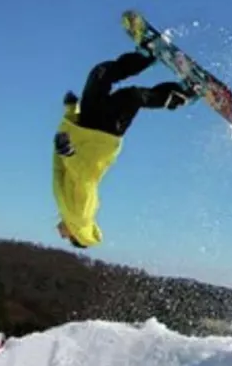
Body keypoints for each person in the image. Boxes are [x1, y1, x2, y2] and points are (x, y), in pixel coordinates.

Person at [53, 49, 193, 248]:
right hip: (103, 137)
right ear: (76, 234)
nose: (61, 235)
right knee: (132, 97)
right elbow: (85, 180)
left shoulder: (64, 206)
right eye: (67, 237)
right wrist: (68, 154)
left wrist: (70, 111)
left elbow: (56, 164)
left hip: (84, 127)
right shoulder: (80, 216)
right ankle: (181, 95)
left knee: (99, 75)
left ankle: (145, 58)